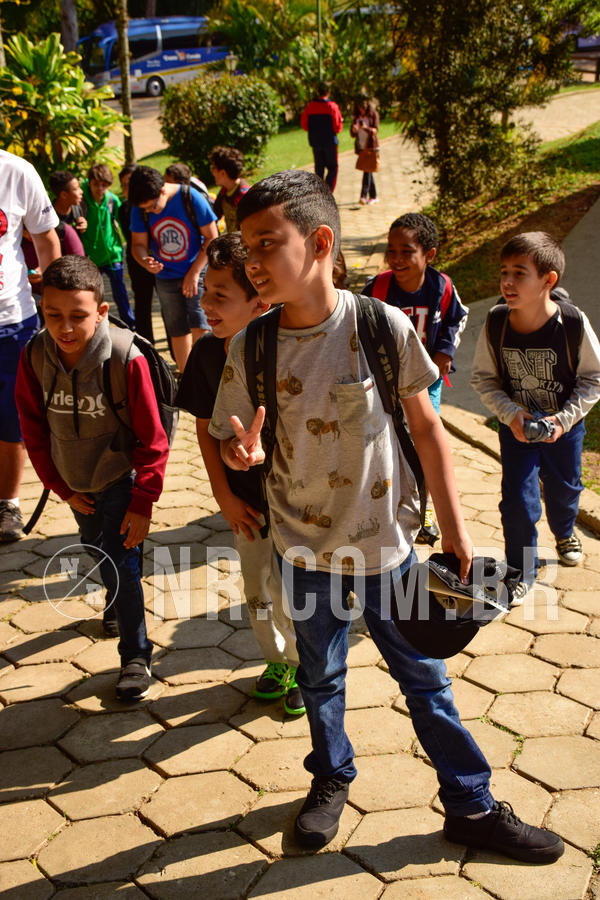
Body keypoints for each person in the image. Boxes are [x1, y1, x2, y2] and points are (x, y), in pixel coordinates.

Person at [208, 170, 564, 863]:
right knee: (320, 676)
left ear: (319, 243)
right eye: (245, 248)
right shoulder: (250, 345)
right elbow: (230, 432)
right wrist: (238, 451)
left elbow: (429, 429)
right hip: (301, 552)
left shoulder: (378, 324)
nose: (251, 262)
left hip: (388, 551)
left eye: (265, 244)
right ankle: (331, 776)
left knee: (425, 679)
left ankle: (471, 804)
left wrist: (456, 529)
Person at [16, 255, 169, 700]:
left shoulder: (125, 357)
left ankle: (136, 656)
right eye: (53, 315)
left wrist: (143, 503)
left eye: (78, 317)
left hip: (122, 477)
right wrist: (60, 487)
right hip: (75, 482)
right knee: (97, 549)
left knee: (123, 562)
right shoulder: (35, 354)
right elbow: (32, 426)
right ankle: (115, 603)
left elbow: (154, 439)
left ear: (101, 312)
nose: (65, 328)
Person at [176, 232, 303, 714]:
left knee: (298, 592)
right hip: (246, 503)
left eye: (220, 295)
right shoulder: (208, 355)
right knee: (257, 589)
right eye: (205, 291)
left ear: (259, 301)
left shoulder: (289, 350)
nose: (206, 304)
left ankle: (308, 665)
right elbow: (206, 432)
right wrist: (225, 497)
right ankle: (278, 660)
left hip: (300, 503)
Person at [472, 231, 600, 602]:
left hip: (566, 428)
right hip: (517, 431)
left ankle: (564, 530)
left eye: (519, 273)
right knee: (517, 500)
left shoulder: (573, 323)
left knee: (564, 491)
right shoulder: (496, 323)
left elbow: (593, 379)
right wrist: (511, 414)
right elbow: (483, 378)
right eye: (504, 272)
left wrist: (563, 420)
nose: (507, 282)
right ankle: (520, 569)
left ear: (549, 280)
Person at [363, 212, 468, 543]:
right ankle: (381, 501)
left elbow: (456, 319)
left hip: (426, 382)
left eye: (406, 251)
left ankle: (425, 509)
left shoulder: (442, 288)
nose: (396, 258)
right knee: (383, 441)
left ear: (429, 255)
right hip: (384, 384)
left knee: (424, 442)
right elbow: (358, 327)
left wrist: (445, 353)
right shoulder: (377, 289)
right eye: (391, 250)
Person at [0, 149, 61, 542]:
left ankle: (7, 504)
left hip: (12, 322)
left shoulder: (16, 172)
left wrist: (59, 310)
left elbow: (46, 239)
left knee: (10, 419)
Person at [129, 165, 218, 374]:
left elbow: (212, 237)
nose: (150, 212)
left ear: (162, 190)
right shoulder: (140, 207)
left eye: (153, 207)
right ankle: (187, 377)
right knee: (176, 328)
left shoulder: (190, 197)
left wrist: (194, 273)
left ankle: (204, 375)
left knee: (201, 324)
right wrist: (145, 261)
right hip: (165, 277)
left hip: (197, 269)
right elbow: (137, 244)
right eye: (146, 210)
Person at [80, 164, 135, 330]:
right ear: (89, 183)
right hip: (90, 257)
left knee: (121, 294)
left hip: (112, 254)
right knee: (92, 295)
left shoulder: (112, 200)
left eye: (104, 185)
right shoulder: (82, 202)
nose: (100, 189)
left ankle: (129, 327)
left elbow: (123, 222)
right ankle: (93, 327)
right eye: (96, 184)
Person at [118, 164, 156, 345]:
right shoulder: (126, 209)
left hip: (159, 260)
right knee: (142, 304)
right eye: (124, 185)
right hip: (138, 261)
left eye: (131, 183)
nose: (128, 189)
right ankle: (146, 344)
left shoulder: (153, 205)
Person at [300, 81, 343, 192]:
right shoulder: (332, 107)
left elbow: (304, 125)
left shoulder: (310, 107)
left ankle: (320, 192)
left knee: (319, 170)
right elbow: (337, 127)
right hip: (330, 143)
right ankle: (327, 191)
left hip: (316, 143)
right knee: (333, 168)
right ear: (328, 92)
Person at [208, 147, 250, 234]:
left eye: (213, 168)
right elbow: (214, 215)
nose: (212, 172)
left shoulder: (244, 195)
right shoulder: (225, 190)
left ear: (223, 173)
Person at [350, 94, 379, 204]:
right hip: (361, 147)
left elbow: (375, 130)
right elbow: (352, 134)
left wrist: (365, 128)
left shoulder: (373, 115)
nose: (361, 111)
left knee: (367, 171)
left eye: (363, 109)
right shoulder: (356, 117)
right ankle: (374, 196)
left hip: (371, 146)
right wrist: (355, 129)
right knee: (368, 170)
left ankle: (363, 195)